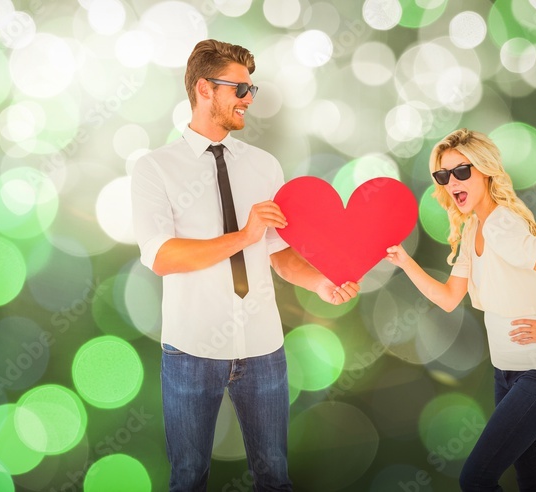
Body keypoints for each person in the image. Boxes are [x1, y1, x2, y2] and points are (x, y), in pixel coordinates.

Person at [131, 39, 359, 491]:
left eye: (251, 88)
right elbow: (162, 256)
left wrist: (320, 284)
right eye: (238, 88)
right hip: (191, 351)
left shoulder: (264, 166)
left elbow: (277, 252)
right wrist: (243, 236)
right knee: (188, 477)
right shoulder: (155, 169)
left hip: (263, 349)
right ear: (203, 89)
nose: (249, 99)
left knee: (275, 476)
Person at [385, 129, 536, 491]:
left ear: (485, 170)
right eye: (444, 175)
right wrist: (405, 261)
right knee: (534, 482)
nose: (452, 181)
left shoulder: (503, 225)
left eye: (462, 171)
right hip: (507, 375)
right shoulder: (474, 226)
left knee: (476, 478)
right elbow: (448, 298)